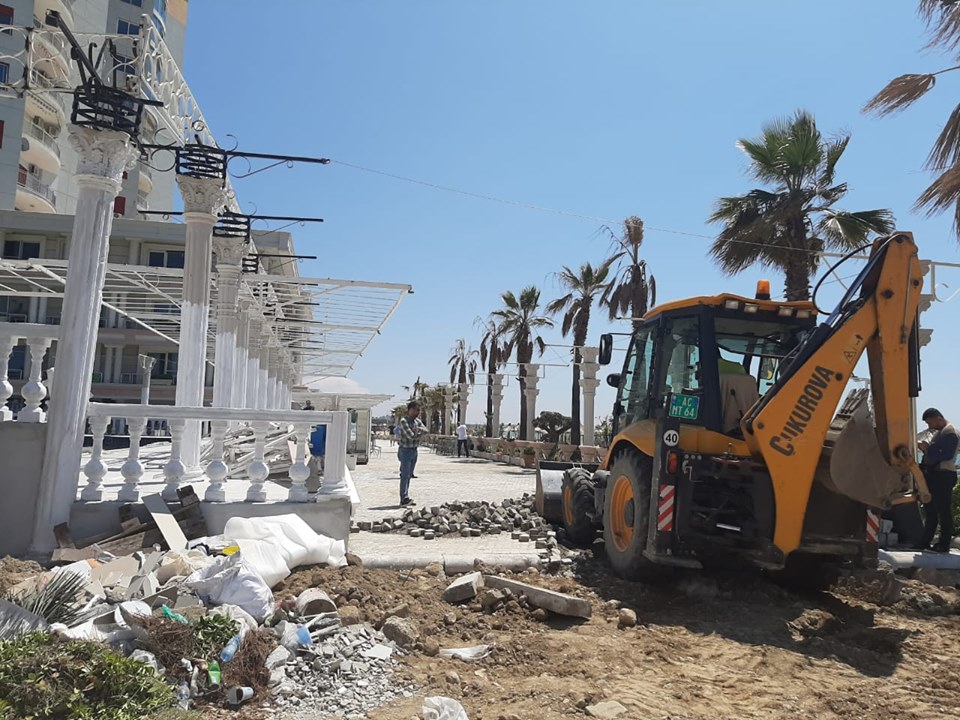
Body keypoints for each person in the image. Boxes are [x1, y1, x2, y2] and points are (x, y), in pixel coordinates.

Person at [915, 407, 958, 552]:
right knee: (931, 510)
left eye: (930, 423)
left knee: (943, 510)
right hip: (935, 475)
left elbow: (946, 454)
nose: (929, 427)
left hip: (943, 475)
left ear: (938, 418)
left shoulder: (950, 432)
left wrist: (927, 449)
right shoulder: (940, 433)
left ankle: (944, 543)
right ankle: (925, 541)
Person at [397, 401, 427, 506]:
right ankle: (403, 498)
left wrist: (418, 430)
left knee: (409, 475)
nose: (416, 412)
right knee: (404, 475)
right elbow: (411, 436)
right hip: (405, 451)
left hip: (414, 450)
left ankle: (406, 497)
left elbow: (426, 430)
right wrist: (419, 433)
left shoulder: (417, 422)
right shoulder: (404, 421)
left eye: (418, 410)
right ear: (409, 410)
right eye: (414, 409)